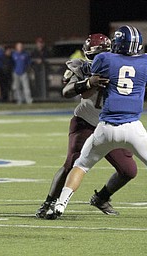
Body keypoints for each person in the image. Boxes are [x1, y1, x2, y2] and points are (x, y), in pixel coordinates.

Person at [36, 33, 138, 219]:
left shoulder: (121, 66)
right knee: (72, 164)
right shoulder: (82, 67)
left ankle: (101, 198)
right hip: (86, 122)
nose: (99, 58)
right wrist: (88, 82)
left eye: (103, 53)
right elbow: (66, 91)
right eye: (95, 54)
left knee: (128, 170)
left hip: (112, 125)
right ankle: (49, 203)